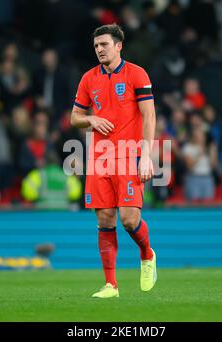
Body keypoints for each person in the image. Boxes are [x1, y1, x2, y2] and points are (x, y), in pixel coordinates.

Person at [71, 24, 157, 298]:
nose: (99, 50)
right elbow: (74, 118)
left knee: (129, 220)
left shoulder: (136, 74)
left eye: (104, 44)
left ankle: (147, 254)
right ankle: (111, 285)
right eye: (96, 46)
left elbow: (149, 116)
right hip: (99, 158)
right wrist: (90, 119)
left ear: (119, 46)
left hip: (129, 154)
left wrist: (146, 156)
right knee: (105, 218)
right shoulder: (88, 79)